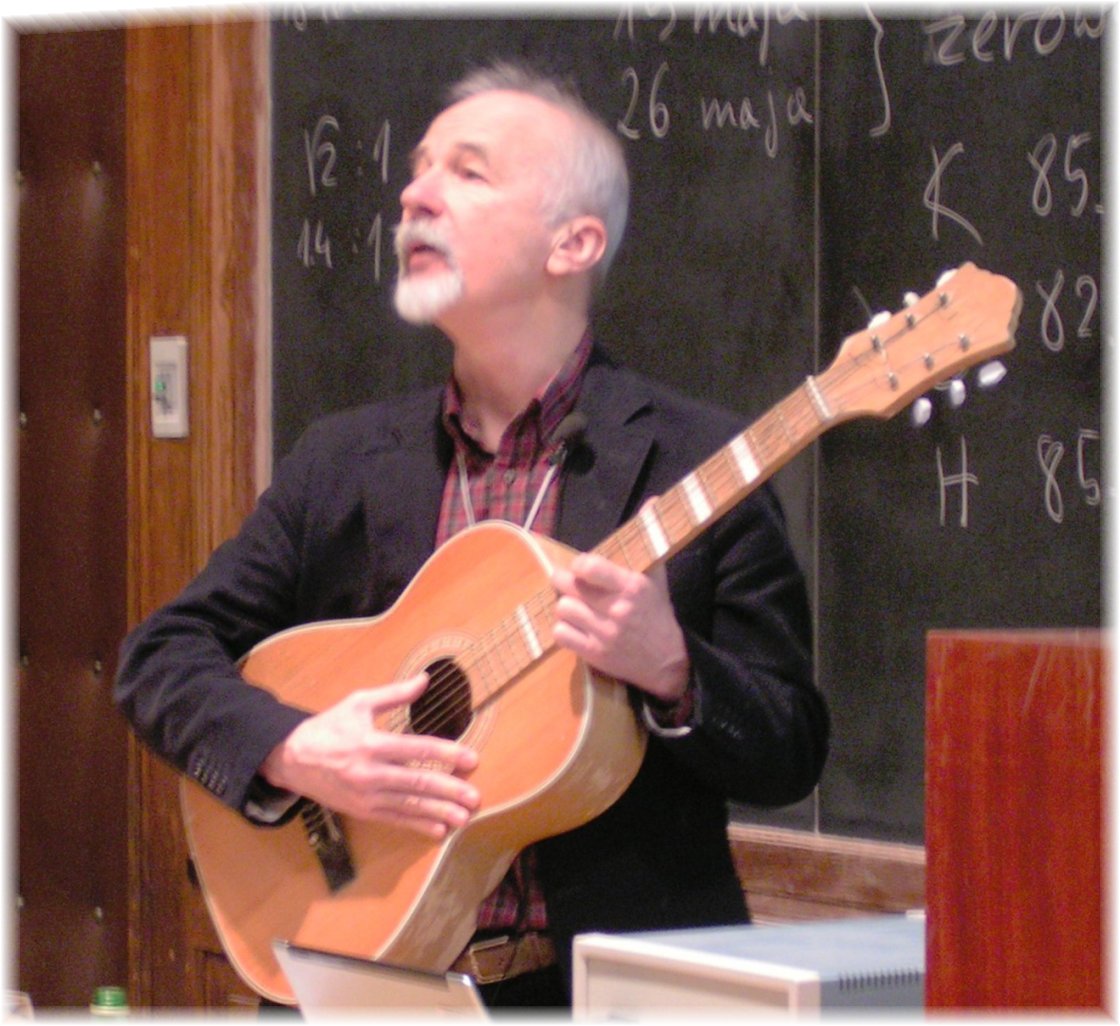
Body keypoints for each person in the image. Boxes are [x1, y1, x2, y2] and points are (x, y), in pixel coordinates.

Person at [115, 60, 829, 1010]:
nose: (414, 195)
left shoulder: (697, 461)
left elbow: (791, 748)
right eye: (418, 169)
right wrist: (295, 750)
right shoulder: (343, 459)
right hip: (359, 974)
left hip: (598, 993)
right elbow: (158, 657)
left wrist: (674, 671)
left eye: (467, 171)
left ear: (572, 243)